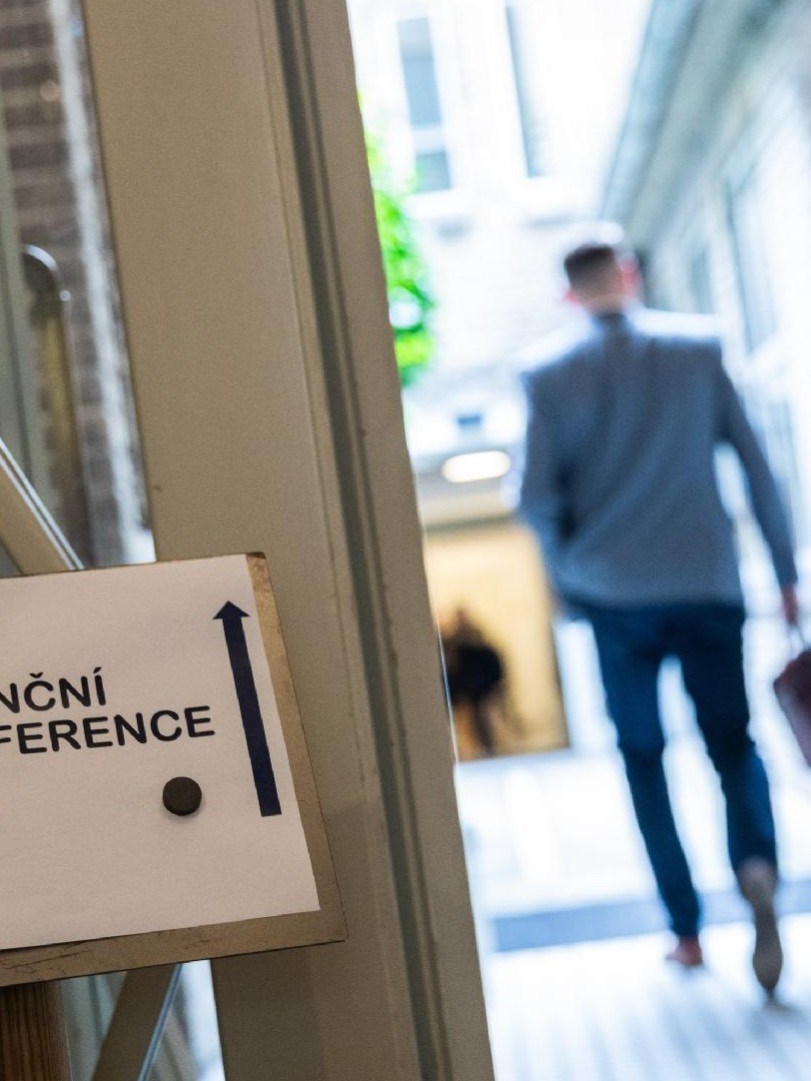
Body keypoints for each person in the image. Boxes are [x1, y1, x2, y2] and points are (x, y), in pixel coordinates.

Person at [518, 227, 799, 994]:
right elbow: (756, 467)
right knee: (731, 744)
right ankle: (755, 866)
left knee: (643, 758)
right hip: (706, 583)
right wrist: (783, 573)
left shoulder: (546, 373)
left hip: (613, 596)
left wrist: (571, 581)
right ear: (629, 275)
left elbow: (534, 501)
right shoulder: (697, 348)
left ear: (567, 293)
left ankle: (685, 930)